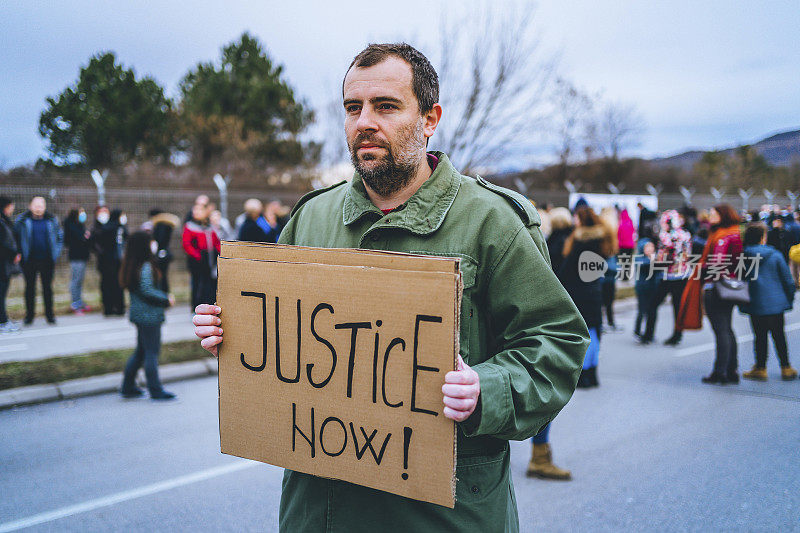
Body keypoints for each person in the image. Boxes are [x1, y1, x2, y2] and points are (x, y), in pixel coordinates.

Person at [193, 42, 588, 532]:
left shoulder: (492, 222)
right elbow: (283, 342)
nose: (364, 122)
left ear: (429, 119)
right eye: (353, 108)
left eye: (385, 106)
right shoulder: (312, 217)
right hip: (321, 513)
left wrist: (486, 389)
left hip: (446, 515)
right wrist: (231, 331)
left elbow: (556, 343)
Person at [678, 204, 743, 384]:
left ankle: (720, 371)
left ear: (723, 215)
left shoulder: (722, 236)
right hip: (730, 286)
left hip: (717, 286)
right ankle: (732, 369)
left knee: (721, 330)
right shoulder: (734, 232)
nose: (710, 216)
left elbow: (717, 264)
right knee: (727, 329)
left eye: (714, 213)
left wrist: (698, 266)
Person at [559, 206, 615, 388]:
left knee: (582, 335)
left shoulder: (580, 240)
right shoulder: (603, 240)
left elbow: (567, 270)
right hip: (595, 290)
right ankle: (593, 374)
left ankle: (583, 376)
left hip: (578, 292)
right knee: (594, 333)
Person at [119, 231, 176, 400]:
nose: (154, 244)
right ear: (144, 246)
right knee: (151, 352)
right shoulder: (145, 267)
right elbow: (147, 290)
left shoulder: (132, 264)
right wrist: (167, 299)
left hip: (140, 315)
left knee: (141, 352)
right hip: (149, 316)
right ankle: (155, 390)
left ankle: (127, 386)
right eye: (151, 241)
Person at [740, 223, 797, 381]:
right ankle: (786, 367)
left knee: (759, 336)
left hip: (755, 303)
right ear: (762, 237)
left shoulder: (743, 256)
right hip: (776, 304)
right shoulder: (775, 255)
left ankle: (760, 368)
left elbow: (741, 280)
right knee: (779, 336)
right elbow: (788, 280)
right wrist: (789, 298)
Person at [642, 210, 692, 346]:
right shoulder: (685, 234)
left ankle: (648, 335)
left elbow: (663, 259)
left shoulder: (665, 236)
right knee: (677, 307)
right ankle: (677, 335)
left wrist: (651, 257)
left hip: (668, 276)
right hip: (683, 275)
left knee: (653, 305)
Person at [14, 196, 63, 325]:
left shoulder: (52, 220)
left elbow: (60, 237)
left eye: (41, 205)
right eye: (36, 205)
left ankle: (50, 315)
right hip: (29, 260)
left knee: (47, 288)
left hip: (47, 260)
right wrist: (20, 254)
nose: (38, 207)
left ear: (45, 206)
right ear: (30, 206)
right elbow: (16, 238)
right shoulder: (22, 221)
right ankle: (29, 316)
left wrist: (55, 253)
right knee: (30, 288)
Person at [183, 202, 220, 310]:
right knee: (197, 283)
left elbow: (216, 242)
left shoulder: (209, 226)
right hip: (197, 260)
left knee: (209, 282)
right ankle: (196, 305)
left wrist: (218, 251)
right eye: (195, 210)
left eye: (199, 210)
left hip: (210, 258)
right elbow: (186, 244)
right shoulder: (190, 226)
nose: (196, 212)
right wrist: (197, 255)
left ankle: (208, 302)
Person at [91, 206, 125, 316]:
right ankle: (111, 307)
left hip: (115, 261)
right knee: (108, 284)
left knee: (114, 285)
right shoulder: (102, 228)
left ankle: (115, 307)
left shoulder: (118, 228)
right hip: (107, 261)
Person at [141, 209, 180, 293]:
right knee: (164, 276)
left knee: (160, 276)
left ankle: (162, 293)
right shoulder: (167, 225)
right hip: (165, 254)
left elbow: (160, 240)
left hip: (160, 255)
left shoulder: (160, 226)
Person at [63, 208, 92, 314]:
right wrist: (84, 237)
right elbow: (79, 238)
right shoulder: (70, 226)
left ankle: (79, 301)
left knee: (79, 280)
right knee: (75, 280)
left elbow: (86, 238)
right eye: (81, 213)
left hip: (83, 256)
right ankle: (75, 303)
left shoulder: (80, 225)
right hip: (76, 257)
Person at [0, 196, 21, 333]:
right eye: (11, 205)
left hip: (5, 265)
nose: (13, 208)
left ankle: (3, 319)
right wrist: (13, 254)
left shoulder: (4, 221)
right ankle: (2, 322)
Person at [634, 240, 661, 340]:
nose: (650, 249)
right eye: (647, 247)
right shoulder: (640, 259)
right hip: (642, 289)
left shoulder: (656, 259)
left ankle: (650, 333)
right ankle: (637, 331)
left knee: (652, 312)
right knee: (642, 311)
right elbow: (646, 265)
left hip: (654, 289)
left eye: (652, 247)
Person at [599, 207, 621, 332]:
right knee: (609, 297)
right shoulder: (612, 230)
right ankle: (611, 321)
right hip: (610, 267)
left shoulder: (600, 228)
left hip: (601, 268)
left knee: (602, 297)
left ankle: (602, 322)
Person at [617, 208, 636, 281]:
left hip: (622, 246)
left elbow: (618, 235)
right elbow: (633, 231)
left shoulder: (620, 223)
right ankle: (626, 275)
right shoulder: (630, 222)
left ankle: (623, 275)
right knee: (628, 262)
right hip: (630, 246)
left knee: (622, 262)